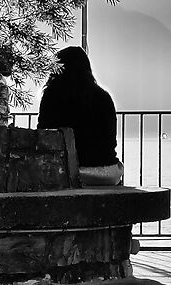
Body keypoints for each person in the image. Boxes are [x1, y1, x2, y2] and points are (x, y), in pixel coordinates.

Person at [37, 45, 121, 184]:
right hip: (110, 172)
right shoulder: (104, 97)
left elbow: (43, 134)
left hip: (73, 172)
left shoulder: (53, 96)